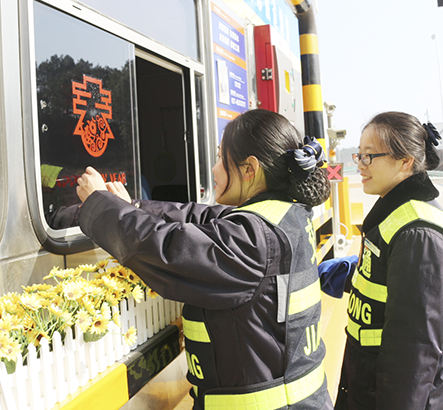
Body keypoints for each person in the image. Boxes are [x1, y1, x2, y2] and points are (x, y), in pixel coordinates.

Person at [76, 109, 334, 410]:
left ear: (249, 169)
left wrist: (98, 205)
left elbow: (168, 249)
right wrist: (131, 205)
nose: (213, 170)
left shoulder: (253, 240)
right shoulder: (283, 216)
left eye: (219, 159)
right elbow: (200, 217)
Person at [335, 112, 443, 410]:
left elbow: (413, 353)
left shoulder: (419, 234)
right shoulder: (395, 217)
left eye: (369, 156)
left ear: (405, 161)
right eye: (359, 155)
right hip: (369, 389)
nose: (360, 165)